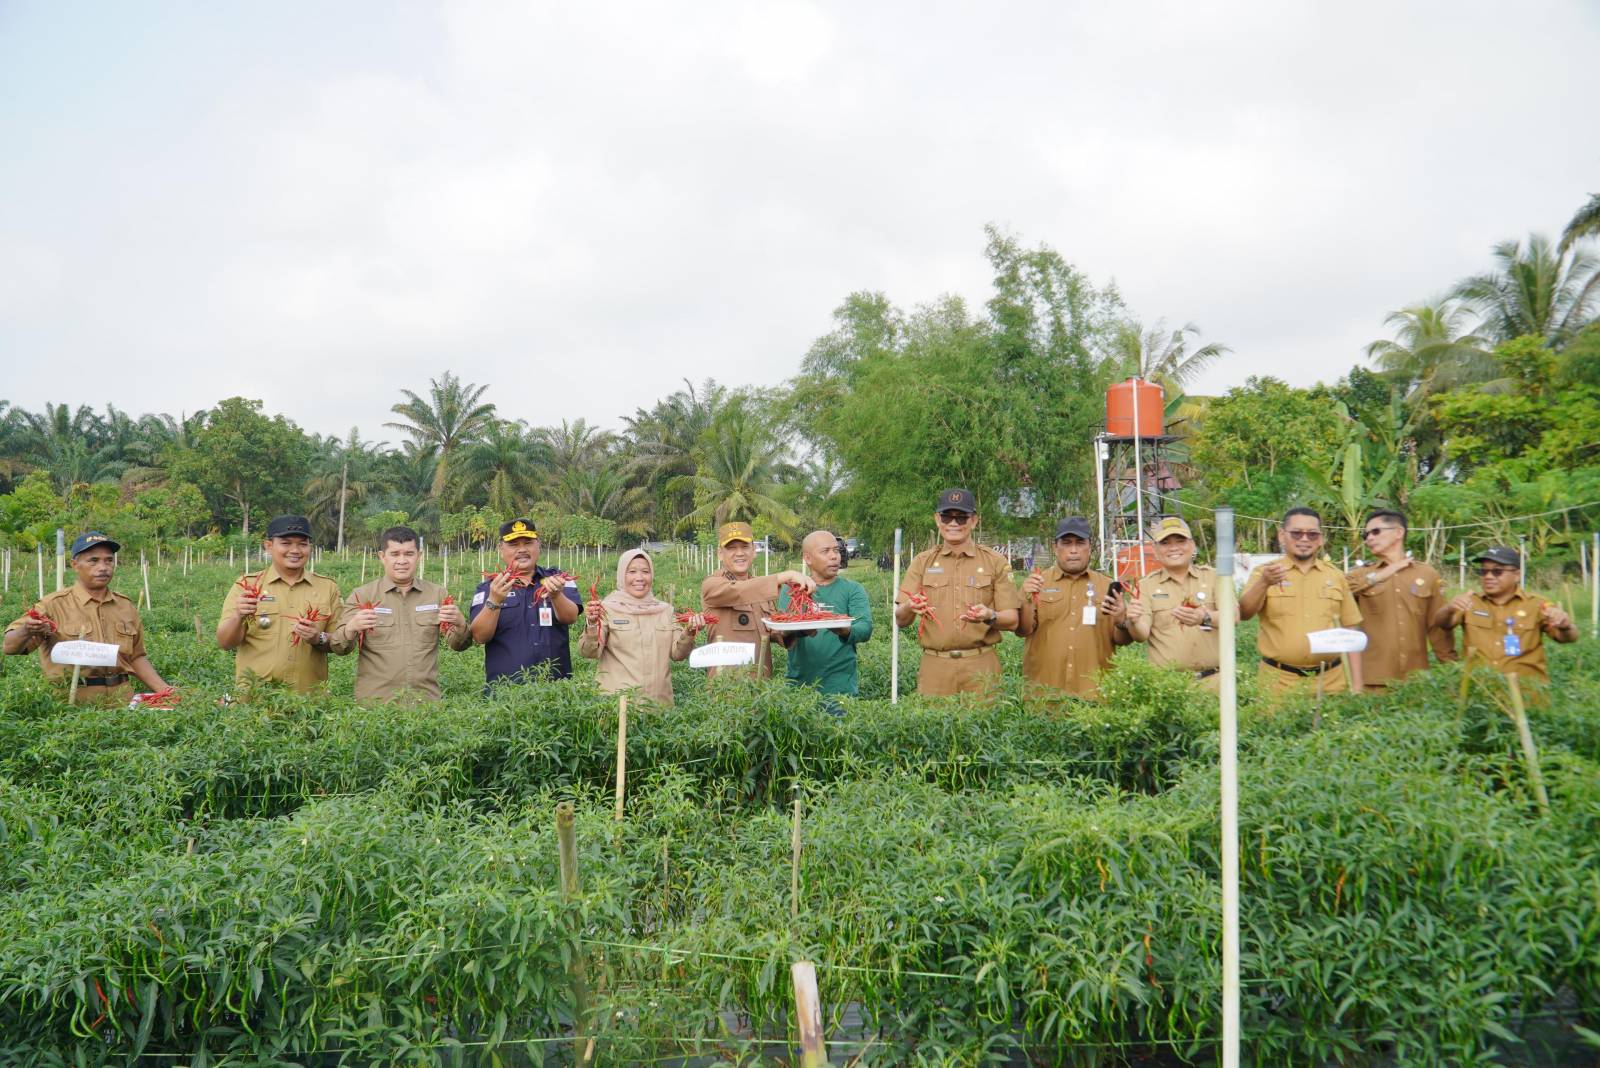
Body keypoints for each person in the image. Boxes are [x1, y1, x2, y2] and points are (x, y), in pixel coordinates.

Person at [4, 531, 169, 705]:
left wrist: (167, 692)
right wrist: (25, 630)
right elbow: (9, 647)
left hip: (121, 705)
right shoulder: (53, 605)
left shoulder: (125, 606)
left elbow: (136, 657)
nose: (103, 567)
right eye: (93, 561)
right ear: (75, 565)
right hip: (72, 709)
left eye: (109, 560)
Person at [895, 488, 1019, 697]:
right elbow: (900, 619)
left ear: (974, 521)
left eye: (961, 517)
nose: (953, 523)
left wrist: (990, 616)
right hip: (935, 667)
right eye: (947, 516)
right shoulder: (922, 562)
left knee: (985, 726)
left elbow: (1013, 620)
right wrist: (910, 606)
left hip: (982, 666)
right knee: (933, 726)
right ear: (937, 519)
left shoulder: (995, 561)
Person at [329, 525, 471, 701]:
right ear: (382, 557)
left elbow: (459, 645)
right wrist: (351, 628)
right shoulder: (363, 595)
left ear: (419, 556)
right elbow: (339, 647)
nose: (402, 561)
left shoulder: (437, 594)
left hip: (425, 704)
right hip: (376, 706)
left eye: (409, 554)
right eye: (395, 554)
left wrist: (460, 624)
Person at [1238, 507, 1365, 695]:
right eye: (1296, 533)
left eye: (1312, 534)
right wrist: (1264, 582)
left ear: (1320, 539)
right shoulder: (1265, 573)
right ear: (1282, 536)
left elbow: (1350, 630)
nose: (1304, 539)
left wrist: (1357, 685)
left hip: (1331, 683)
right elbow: (1244, 613)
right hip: (1278, 684)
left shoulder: (1336, 576)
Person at [216, 515, 342, 693]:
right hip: (255, 700)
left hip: (308, 704)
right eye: (286, 543)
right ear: (268, 546)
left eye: (302, 544)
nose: (295, 550)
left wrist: (318, 638)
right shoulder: (247, 586)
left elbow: (342, 643)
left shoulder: (327, 588)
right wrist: (238, 615)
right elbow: (224, 643)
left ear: (310, 547)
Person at [1016, 516, 1131, 699]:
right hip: (1045, 695)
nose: (1074, 550)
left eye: (1080, 543)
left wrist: (1121, 620)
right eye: (1067, 543)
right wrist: (1027, 598)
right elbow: (1023, 630)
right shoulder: (1038, 584)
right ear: (1055, 547)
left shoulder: (1106, 586)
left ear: (1089, 547)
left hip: (1094, 696)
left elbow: (1122, 640)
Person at [578, 548, 707, 706]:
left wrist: (690, 631)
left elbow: (678, 654)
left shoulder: (665, 611)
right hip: (618, 707)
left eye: (645, 571)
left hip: (660, 707)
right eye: (631, 571)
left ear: (652, 574)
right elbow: (589, 652)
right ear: (621, 575)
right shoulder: (607, 609)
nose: (639, 578)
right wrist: (592, 623)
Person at [1432, 545, 1577, 685]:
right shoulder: (1470, 602)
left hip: (1527, 696)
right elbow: (1443, 623)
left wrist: (1565, 626)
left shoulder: (1537, 605)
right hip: (1482, 696)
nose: (1488, 576)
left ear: (1517, 575)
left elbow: (1567, 638)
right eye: (1483, 571)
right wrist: (1449, 608)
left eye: (1497, 571)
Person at [1345, 509, 1456, 690]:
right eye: (1366, 534)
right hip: (1372, 682)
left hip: (1415, 681)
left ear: (1398, 532)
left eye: (1376, 531)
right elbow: (1338, 594)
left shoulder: (1427, 574)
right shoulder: (1359, 575)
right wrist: (1377, 577)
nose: (1369, 538)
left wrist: (1451, 672)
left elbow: (1437, 628)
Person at [468, 518, 582, 690]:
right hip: (505, 693)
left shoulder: (558, 578)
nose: (522, 549)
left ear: (538, 545)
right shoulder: (488, 588)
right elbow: (479, 636)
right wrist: (494, 601)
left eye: (528, 542)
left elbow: (570, 617)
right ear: (501, 549)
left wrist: (556, 595)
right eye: (513, 544)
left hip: (557, 690)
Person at [699, 521, 814, 680]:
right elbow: (739, 591)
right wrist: (785, 576)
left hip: (762, 688)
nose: (739, 553)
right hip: (726, 691)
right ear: (720, 553)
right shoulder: (712, 585)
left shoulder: (761, 591)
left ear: (754, 551)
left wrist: (801, 624)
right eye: (731, 548)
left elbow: (775, 631)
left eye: (745, 547)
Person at [1124, 517, 1226, 692]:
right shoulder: (1146, 585)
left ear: (1192, 545)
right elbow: (1141, 633)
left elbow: (1234, 616)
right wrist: (1133, 620)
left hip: (1215, 684)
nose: (1174, 548)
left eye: (1180, 541)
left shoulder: (1214, 577)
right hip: (1167, 686)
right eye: (1165, 543)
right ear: (1155, 550)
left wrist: (1204, 617)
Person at [775, 529, 873, 700]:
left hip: (840, 689)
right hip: (798, 688)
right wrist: (799, 629)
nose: (834, 556)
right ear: (808, 558)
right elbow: (782, 630)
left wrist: (845, 630)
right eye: (825, 551)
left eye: (836, 550)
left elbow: (865, 628)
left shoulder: (853, 589)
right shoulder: (792, 590)